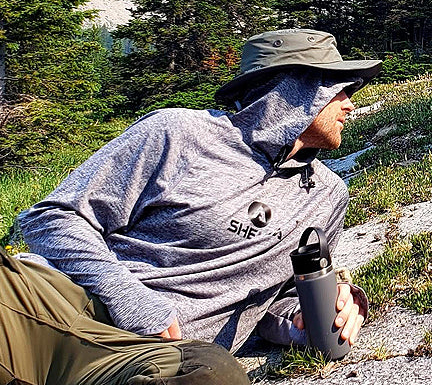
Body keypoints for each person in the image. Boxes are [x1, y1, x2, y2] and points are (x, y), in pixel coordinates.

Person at [2, 29, 381, 384]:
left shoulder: (327, 196)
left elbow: (274, 298)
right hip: (60, 303)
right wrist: (131, 299)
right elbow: (51, 216)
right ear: (294, 91)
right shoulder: (179, 133)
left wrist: (322, 314)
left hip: (152, 357)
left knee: (214, 374)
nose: (349, 104)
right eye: (339, 89)